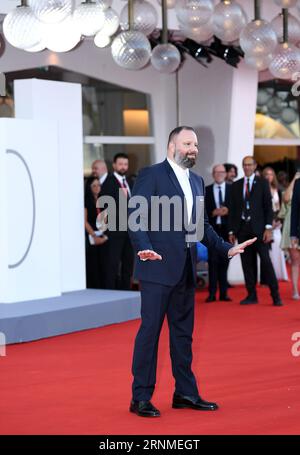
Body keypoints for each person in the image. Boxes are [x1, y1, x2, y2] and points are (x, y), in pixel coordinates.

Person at [128, 126, 256, 418]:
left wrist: (226, 248)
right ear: (172, 146)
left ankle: (185, 393)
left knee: (183, 336)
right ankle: (140, 397)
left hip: (185, 270)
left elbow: (201, 227)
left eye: (195, 144)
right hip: (156, 267)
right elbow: (135, 217)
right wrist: (144, 247)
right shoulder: (152, 174)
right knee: (149, 333)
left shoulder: (197, 181)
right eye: (188, 143)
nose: (193, 149)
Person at [228, 156, 283, 306]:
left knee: (266, 262)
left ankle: (276, 295)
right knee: (247, 264)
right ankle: (251, 295)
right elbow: (233, 210)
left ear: (255, 166)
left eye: (249, 165)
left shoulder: (263, 183)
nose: (247, 167)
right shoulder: (236, 185)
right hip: (242, 230)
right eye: (244, 165)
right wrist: (232, 231)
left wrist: (268, 228)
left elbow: (268, 207)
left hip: (260, 231)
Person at [100, 153, 134, 290]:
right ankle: (111, 294)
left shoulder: (131, 182)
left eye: (125, 164)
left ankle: (126, 293)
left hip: (130, 231)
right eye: (120, 164)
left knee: (128, 264)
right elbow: (105, 206)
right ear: (114, 165)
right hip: (115, 231)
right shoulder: (108, 182)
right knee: (112, 265)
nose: (123, 167)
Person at [205, 164, 232, 302]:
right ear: (213, 174)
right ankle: (211, 293)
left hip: (227, 231)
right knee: (213, 262)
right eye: (217, 172)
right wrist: (212, 213)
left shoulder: (232, 189)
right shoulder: (206, 190)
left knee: (225, 261)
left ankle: (224, 293)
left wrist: (228, 211)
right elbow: (201, 212)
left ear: (226, 174)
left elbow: (237, 211)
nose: (219, 174)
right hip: (212, 231)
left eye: (222, 172)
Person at [262, 167, 288, 281]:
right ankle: (267, 276)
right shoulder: (260, 189)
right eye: (266, 174)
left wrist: (279, 220)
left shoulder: (277, 189)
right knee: (268, 251)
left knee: (278, 247)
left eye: (271, 174)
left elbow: (281, 207)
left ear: (274, 177)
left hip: (277, 223)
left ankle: (279, 274)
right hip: (265, 224)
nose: (269, 176)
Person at [279, 172, 300, 299]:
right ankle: (295, 290)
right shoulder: (296, 184)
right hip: (294, 227)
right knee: (295, 260)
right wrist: (295, 178)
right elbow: (287, 199)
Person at [84, 177, 108, 288]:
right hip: (90, 237)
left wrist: (103, 235)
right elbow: (84, 221)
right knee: (92, 266)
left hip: (101, 237)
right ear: (89, 187)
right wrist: (93, 235)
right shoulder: (86, 201)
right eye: (94, 185)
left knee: (102, 266)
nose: (97, 188)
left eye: (99, 185)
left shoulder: (102, 201)